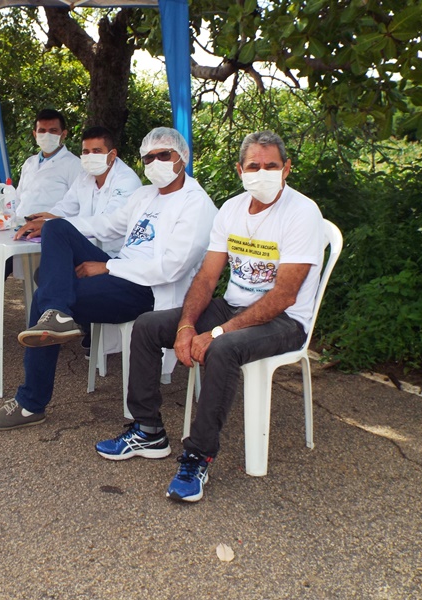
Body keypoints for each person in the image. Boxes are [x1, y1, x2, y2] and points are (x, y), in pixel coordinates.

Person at [95, 131, 325, 503]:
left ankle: (197, 455)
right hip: (233, 306)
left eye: (271, 166)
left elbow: (284, 295)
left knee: (222, 349)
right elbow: (206, 277)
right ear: (240, 170)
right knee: (149, 326)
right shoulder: (232, 209)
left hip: (285, 321)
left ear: (287, 169)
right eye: (254, 166)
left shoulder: (302, 213)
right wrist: (187, 326)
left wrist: (216, 332)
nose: (262, 172)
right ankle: (148, 429)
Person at [0, 127, 219, 431]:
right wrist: (50, 221)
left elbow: (171, 268)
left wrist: (107, 268)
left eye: (163, 155)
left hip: (150, 290)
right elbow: (107, 225)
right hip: (122, 271)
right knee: (57, 229)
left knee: (42, 298)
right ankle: (57, 314)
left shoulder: (196, 204)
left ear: (181, 157)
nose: (155, 162)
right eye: (148, 157)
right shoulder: (145, 195)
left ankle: (31, 403)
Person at [0, 108, 82, 344]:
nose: (47, 135)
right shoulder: (30, 163)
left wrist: (46, 220)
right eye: (42, 131)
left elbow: (75, 205)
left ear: (64, 134)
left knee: (1, 259)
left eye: (53, 131)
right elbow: (18, 198)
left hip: (46, 232)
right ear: (34, 133)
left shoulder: (74, 165)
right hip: (17, 225)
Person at [23, 125, 142, 257]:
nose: (90, 156)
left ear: (112, 155)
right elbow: (66, 206)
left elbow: (108, 225)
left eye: (97, 151)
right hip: (89, 246)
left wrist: (52, 224)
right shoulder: (86, 176)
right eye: (86, 152)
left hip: (116, 255)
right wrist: (46, 217)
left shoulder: (126, 181)